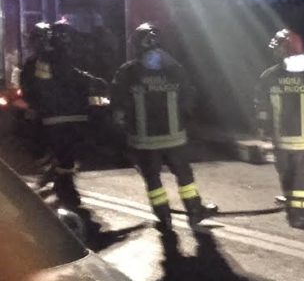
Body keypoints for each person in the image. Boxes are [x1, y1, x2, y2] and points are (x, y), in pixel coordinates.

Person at [111, 23, 218, 230]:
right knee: (185, 177)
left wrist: (122, 124)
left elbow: (118, 103)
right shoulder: (175, 69)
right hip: (174, 137)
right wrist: (185, 120)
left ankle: (164, 217)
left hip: (143, 141)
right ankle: (195, 212)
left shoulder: (128, 71)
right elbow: (189, 98)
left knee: (153, 180)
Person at [21, 20, 107, 209]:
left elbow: (40, 86)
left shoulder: (47, 60)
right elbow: (58, 80)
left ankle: (62, 185)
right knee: (63, 156)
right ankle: (62, 186)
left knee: (64, 157)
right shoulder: (50, 60)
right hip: (63, 116)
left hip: (59, 117)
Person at [255, 29, 304, 229]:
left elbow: (261, 107)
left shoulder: (269, 76)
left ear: (283, 50)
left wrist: (264, 129)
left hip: (280, 139)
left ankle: (294, 211)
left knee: (287, 175)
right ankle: (299, 214)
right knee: (301, 177)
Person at [17, 22, 56, 186]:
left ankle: (54, 173)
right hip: (46, 109)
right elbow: (27, 85)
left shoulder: (50, 60)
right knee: (39, 143)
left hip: (49, 110)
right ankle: (52, 171)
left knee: (43, 143)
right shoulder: (34, 62)